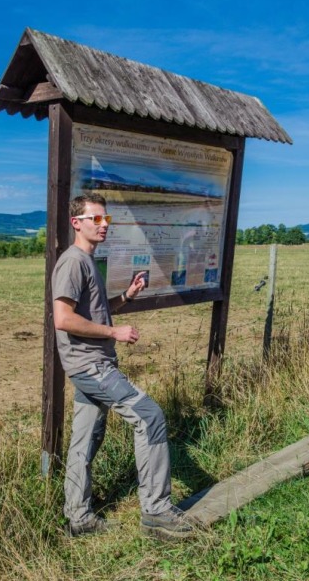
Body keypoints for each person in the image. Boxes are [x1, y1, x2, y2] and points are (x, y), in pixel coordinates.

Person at [52, 193, 194, 540]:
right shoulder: (73, 262)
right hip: (92, 367)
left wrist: (126, 296)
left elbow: (93, 312)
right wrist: (114, 331)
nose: (103, 225)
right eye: (95, 219)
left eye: (106, 220)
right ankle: (157, 513)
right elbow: (63, 318)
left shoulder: (88, 261)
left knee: (83, 442)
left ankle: (79, 518)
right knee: (150, 417)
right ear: (77, 223)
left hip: (87, 367)